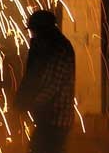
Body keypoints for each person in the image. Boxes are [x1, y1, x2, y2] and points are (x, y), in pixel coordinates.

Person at [15, 9, 75, 153]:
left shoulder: (60, 49)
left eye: (35, 31)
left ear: (44, 30)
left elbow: (53, 85)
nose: (33, 35)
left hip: (57, 118)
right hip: (48, 117)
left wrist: (30, 103)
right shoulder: (46, 47)